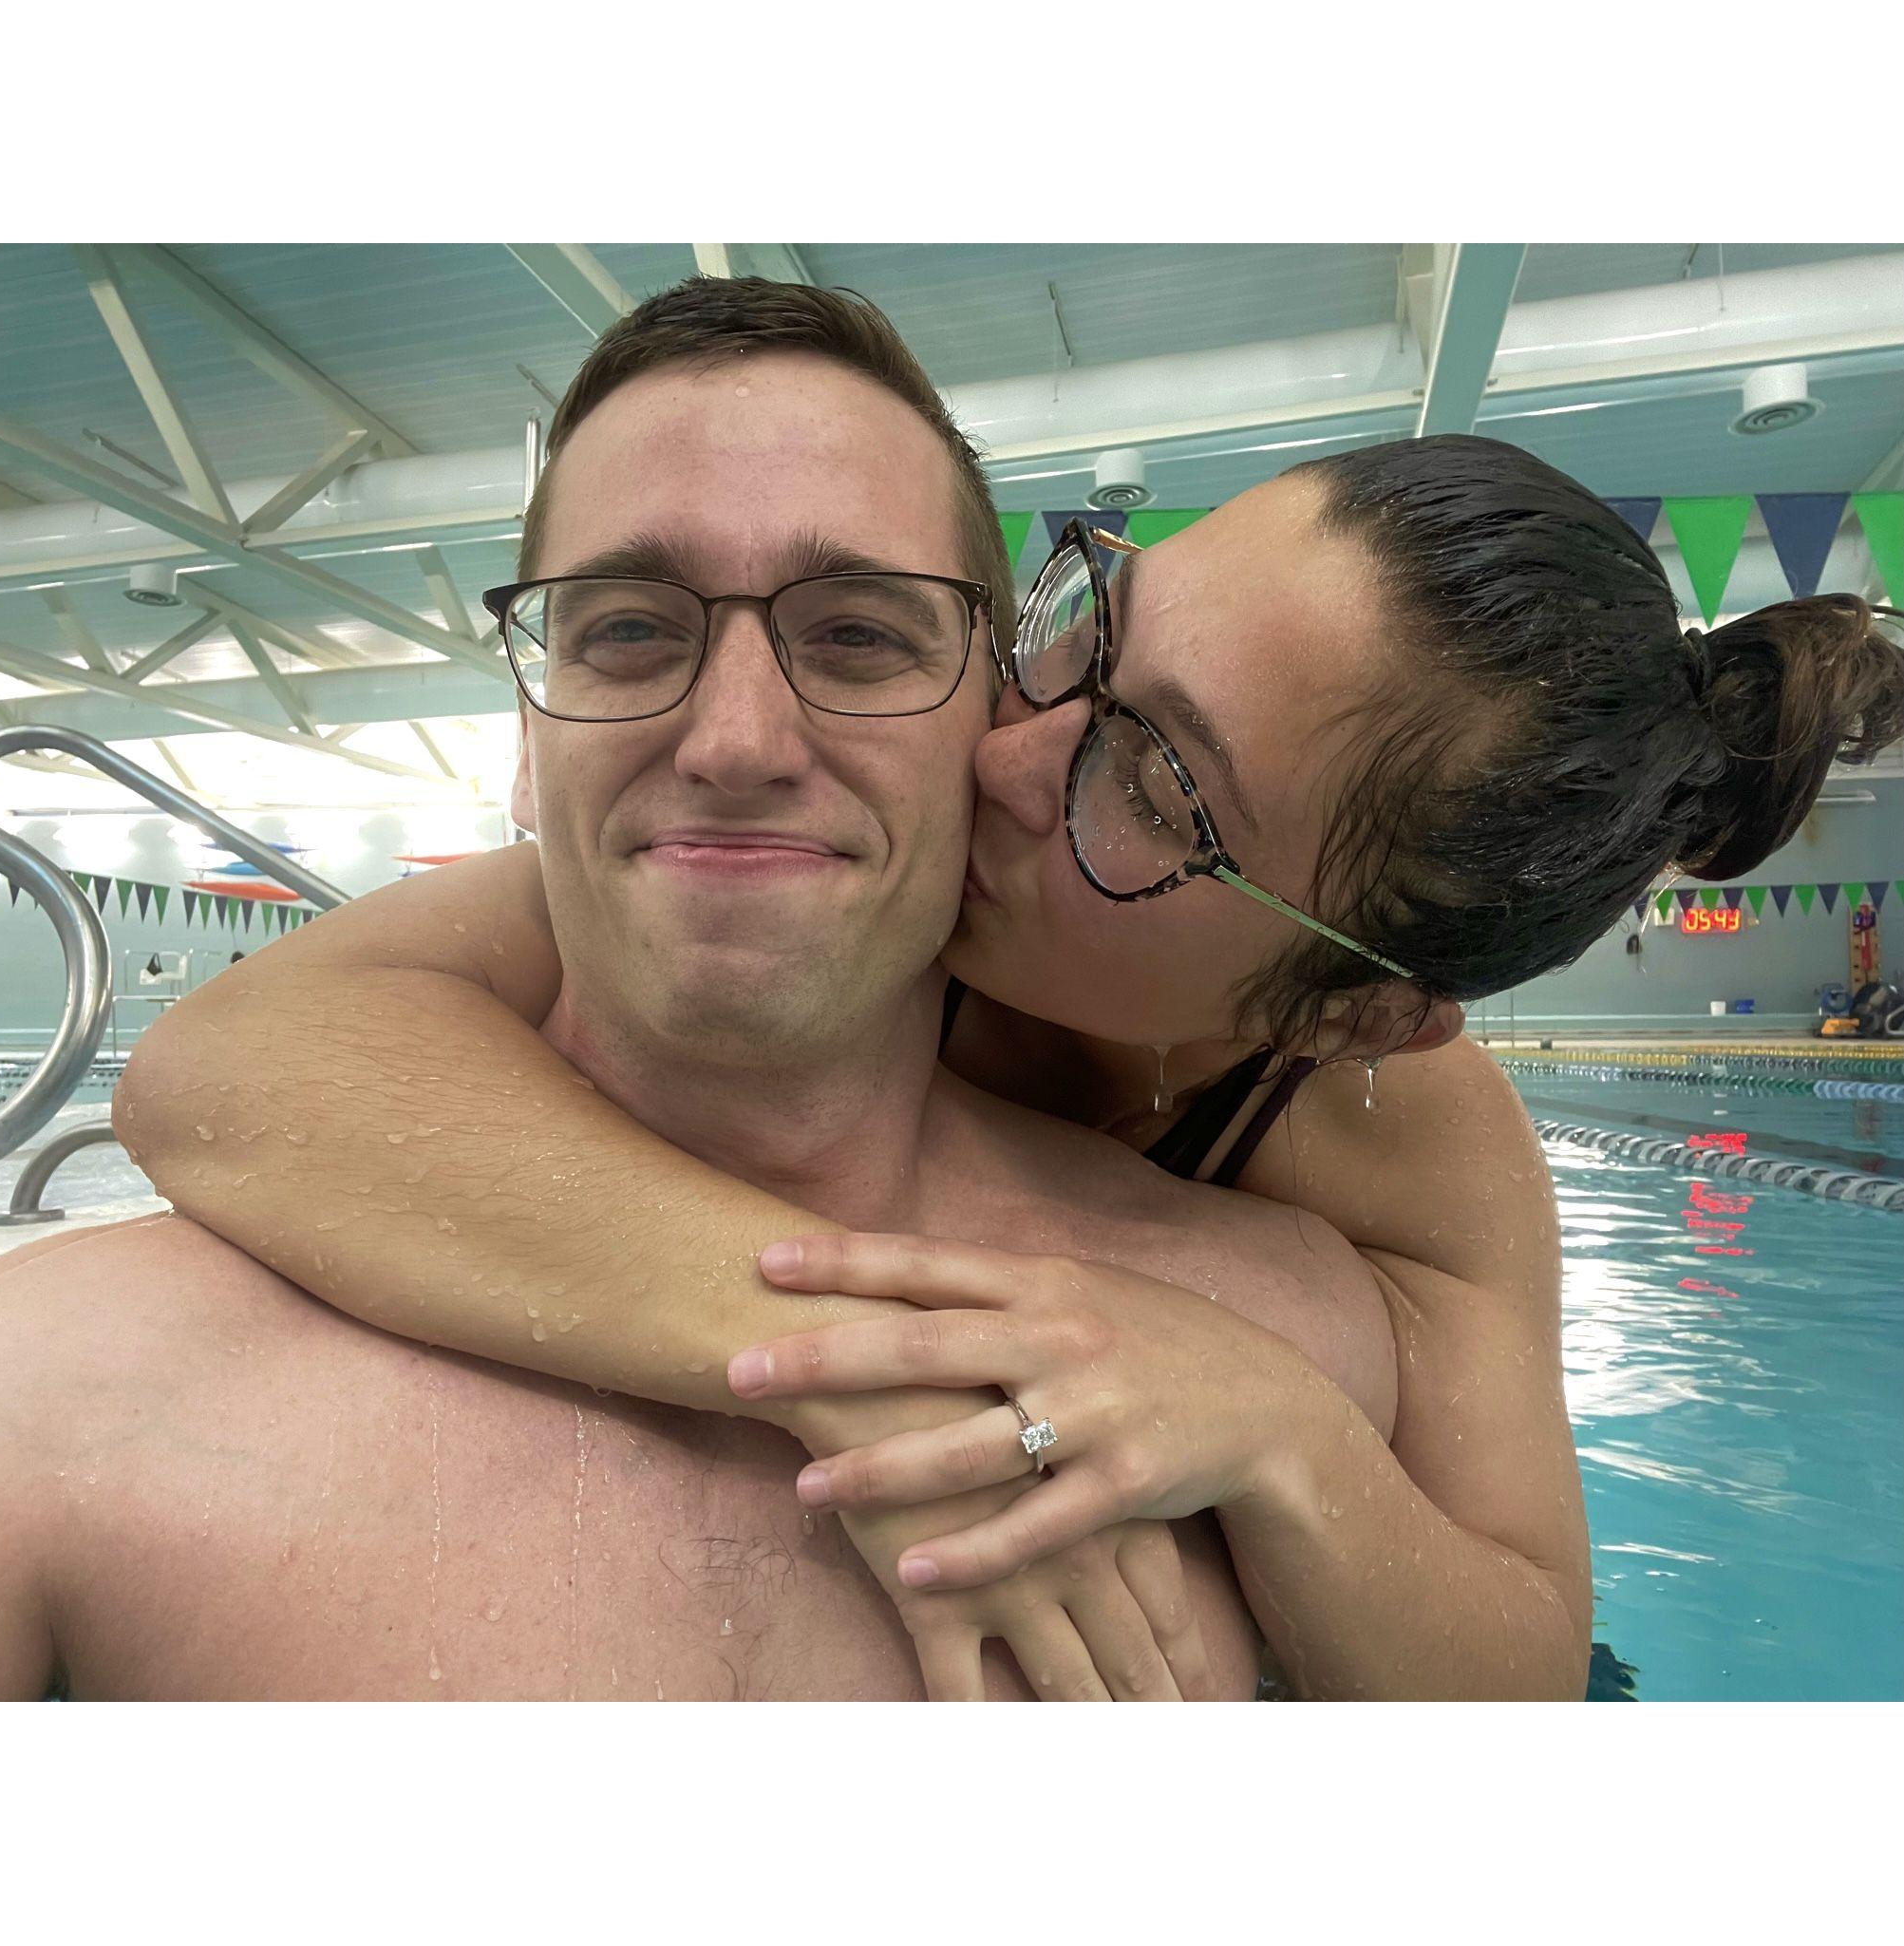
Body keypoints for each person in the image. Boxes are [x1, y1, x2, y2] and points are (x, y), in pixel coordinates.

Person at [117, 278, 1904, 1696]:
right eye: (1088, 631)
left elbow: (1513, 1672)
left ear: (1339, 1006)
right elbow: (237, 1067)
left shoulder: (1401, 1137)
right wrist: (893, 1374)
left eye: (1154, 787)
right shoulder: (832, 876)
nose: (1005, 749)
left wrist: (1282, 1433)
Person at [0, 278, 1410, 1703]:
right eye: (628, 628)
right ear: (525, 743)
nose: (733, 739)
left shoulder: (1273, 1346)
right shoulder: (41, 1399)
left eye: (858, 631)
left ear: (998, 726)